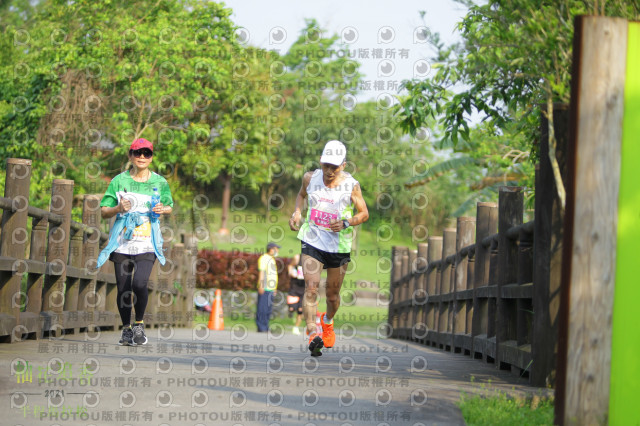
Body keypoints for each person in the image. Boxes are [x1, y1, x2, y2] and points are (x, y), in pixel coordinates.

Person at [289, 140, 369, 356]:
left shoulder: (351, 185)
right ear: (321, 162)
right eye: (326, 165)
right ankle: (312, 333)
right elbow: (301, 195)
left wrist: (346, 222)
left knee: (332, 295)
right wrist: (297, 212)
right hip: (312, 239)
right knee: (311, 288)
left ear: (343, 165)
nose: (329, 171)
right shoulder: (310, 178)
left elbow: (364, 213)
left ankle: (327, 321)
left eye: (334, 166)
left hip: (338, 245)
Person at [96, 138, 173, 346]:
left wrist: (162, 209)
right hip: (122, 243)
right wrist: (118, 209)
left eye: (146, 153)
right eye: (137, 153)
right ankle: (126, 329)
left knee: (139, 283)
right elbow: (104, 212)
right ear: (130, 155)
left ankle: (138, 323)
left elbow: (169, 206)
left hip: (148, 243)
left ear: (151, 157)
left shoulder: (160, 182)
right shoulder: (118, 181)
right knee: (123, 289)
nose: (141, 157)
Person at [256, 242, 280, 332]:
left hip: (271, 288)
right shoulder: (264, 258)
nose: (277, 250)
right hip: (265, 287)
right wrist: (261, 285)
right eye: (276, 248)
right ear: (271, 249)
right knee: (262, 308)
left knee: (268, 309)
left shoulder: (272, 259)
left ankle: (265, 326)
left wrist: (274, 288)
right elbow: (262, 272)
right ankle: (261, 326)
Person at [287, 254, 305, 335]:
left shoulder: (313, 260)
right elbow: (290, 266)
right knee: (292, 308)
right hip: (294, 286)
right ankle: (291, 311)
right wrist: (291, 273)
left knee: (300, 310)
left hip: (304, 288)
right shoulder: (297, 257)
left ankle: (296, 327)